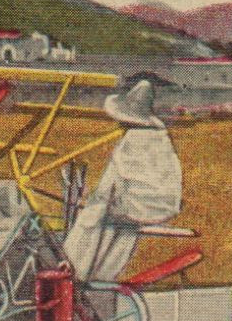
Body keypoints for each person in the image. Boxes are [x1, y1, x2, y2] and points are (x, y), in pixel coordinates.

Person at [61, 80, 183, 282]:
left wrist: (93, 202)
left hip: (136, 206)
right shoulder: (161, 138)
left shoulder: (131, 141)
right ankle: (104, 275)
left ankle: (73, 270)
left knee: (92, 216)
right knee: (120, 226)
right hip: (162, 206)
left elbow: (111, 183)